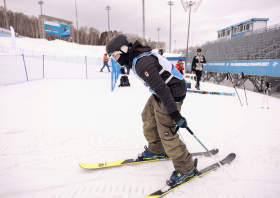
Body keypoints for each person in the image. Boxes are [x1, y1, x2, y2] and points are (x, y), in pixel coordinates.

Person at [106, 34, 196, 185]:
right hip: (162, 91)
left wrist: (175, 114)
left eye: (115, 56)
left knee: (167, 131)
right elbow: (159, 87)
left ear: (123, 50)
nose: (115, 59)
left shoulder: (142, 63)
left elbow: (162, 89)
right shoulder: (136, 57)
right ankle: (157, 149)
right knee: (148, 116)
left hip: (171, 92)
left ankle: (186, 168)